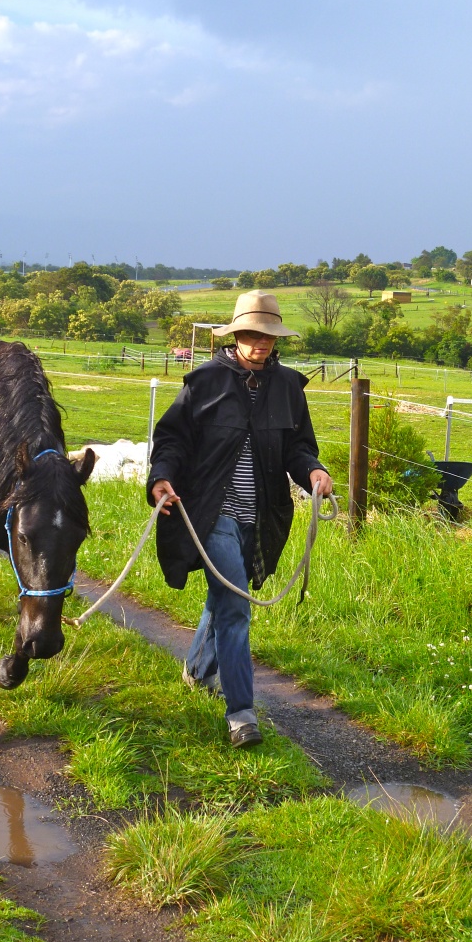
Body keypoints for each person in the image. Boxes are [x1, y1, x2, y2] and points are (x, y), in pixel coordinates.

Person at [147, 290, 333, 748]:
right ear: (236, 335)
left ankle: (196, 669)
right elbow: (171, 440)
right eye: (252, 333)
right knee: (236, 606)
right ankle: (242, 714)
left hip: (263, 516)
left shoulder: (289, 387)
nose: (261, 343)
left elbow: (298, 447)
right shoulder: (204, 382)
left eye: (268, 335)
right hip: (211, 513)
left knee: (226, 595)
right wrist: (161, 478)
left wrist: (313, 470)